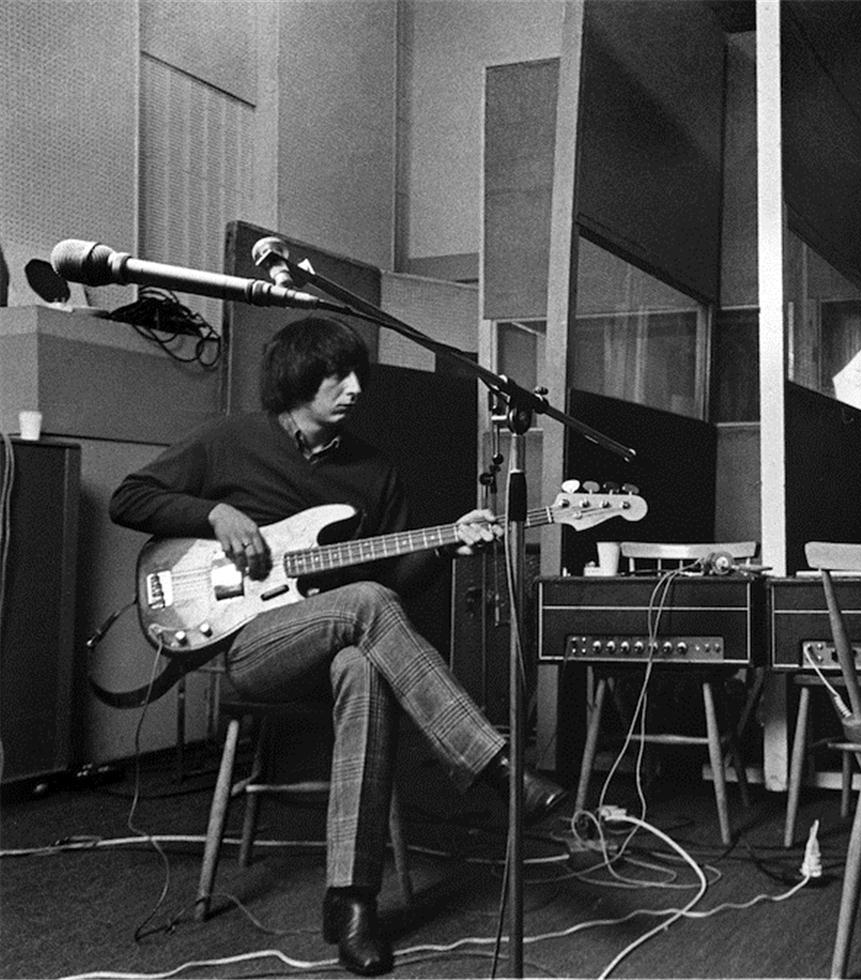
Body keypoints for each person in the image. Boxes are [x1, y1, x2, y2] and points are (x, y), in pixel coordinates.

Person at [110, 316, 566, 977]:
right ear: (297, 379)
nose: (353, 389)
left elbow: (391, 585)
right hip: (251, 646)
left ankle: (350, 900)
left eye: (358, 377)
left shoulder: (373, 472)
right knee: (366, 609)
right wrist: (213, 514)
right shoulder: (230, 440)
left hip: (338, 643)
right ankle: (495, 768)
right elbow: (130, 497)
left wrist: (444, 545)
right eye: (336, 376)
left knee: (364, 661)